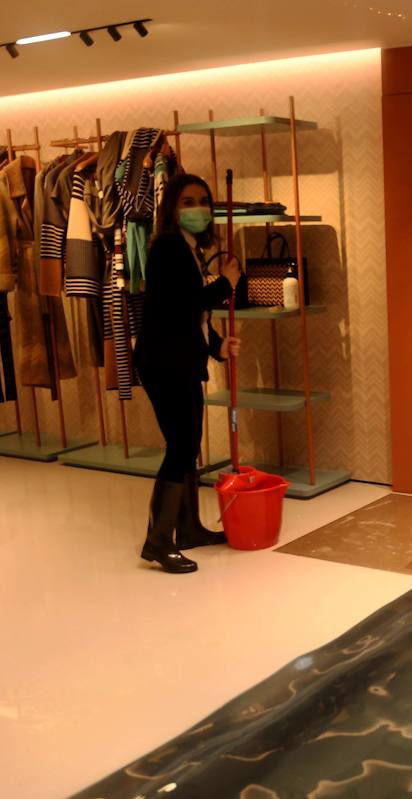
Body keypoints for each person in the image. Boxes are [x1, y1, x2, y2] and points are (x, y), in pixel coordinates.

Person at [133, 173, 241, 573]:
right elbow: (183, 304)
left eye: (203, 201)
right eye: (187, 202)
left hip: (180, 359)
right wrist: (226, 284)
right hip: (164, 363)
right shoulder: (166, 248)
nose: (197, 209)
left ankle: (188, 527)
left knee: (188, 443)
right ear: (173, 209)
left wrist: (218, 348)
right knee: (180, 445)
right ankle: (158, 541)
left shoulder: (190, 249)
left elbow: (194, 317)